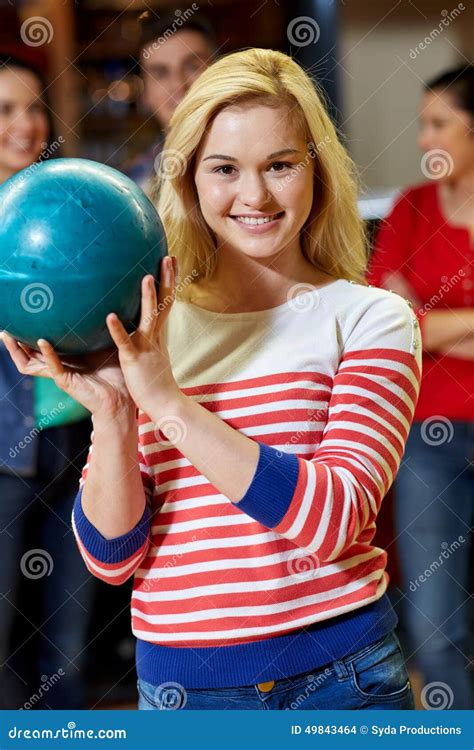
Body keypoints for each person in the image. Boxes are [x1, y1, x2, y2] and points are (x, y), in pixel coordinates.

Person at [2, 48, 422, 711]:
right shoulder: (152, 327)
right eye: (224, 168)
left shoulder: (371, 319)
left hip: (342, 683)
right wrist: (115, 414)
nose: (254, 196)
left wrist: (165, 401)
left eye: (280, 165)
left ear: (316, 172)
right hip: (183, 693)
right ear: (191, 177)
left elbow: (332, 519)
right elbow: (112, 556)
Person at [367, 65, 474, 710]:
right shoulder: (409, 210)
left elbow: (421, 321)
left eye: (438, 124)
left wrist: (436, 322)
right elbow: (394, 324)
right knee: (434, 633)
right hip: (428, 439)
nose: (422, 138)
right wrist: (422, 324)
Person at [0, 53, 93, 709]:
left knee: (68, 648)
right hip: (6, 452)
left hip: (77, 442)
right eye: (5, 110)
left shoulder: (70, 206)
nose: (26, 124)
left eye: (35, 107)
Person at [124, 10, 217, 191]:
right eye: (161, 73)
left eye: (193, 66)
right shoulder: (130, 189)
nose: (179, 84)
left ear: (220, 71)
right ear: (145, 94)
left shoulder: (259, 160)